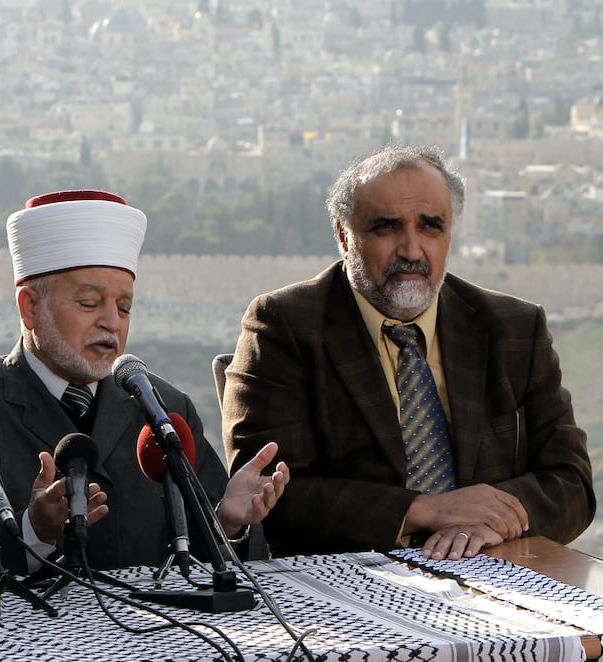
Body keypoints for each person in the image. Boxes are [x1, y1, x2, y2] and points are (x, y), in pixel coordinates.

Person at [222, 144, 594, 561]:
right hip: (352, 581)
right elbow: (269, 495)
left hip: (495, 571)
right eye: (387, 227)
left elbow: (572, 482)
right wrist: (425, 511)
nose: (412, 250)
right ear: (344, 235)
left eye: (430, 227)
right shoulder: (284, 326)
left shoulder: (513, 327)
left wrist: (487, 520)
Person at [0, 189, 288, 574]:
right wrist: (35, 532)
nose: (111, 322)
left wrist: (229, 522)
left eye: (124, 307)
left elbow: (209, 567)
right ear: (30, 307)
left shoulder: (164, 409)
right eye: (89, 303)